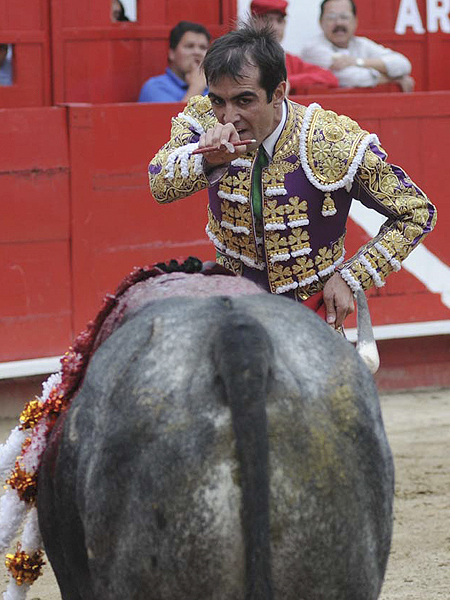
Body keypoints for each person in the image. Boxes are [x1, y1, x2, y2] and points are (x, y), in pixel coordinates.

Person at [148, 22, 436, 329]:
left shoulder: (330, 141)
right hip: (233, 310)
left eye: (245, 100)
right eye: (218, 100)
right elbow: (160, 185)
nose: (228, 117)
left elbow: (417, 213)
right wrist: (206, 161)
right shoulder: (202, 119)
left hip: (311, 315)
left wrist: (352, 277)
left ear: (278, 93)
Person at [301, 0, 414, 92]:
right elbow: (351, 78)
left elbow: (403, 64)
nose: (339, 23)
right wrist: (393, 78)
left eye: (344, 17)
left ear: (355, 21)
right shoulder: (313, 49)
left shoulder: (362, 44)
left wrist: (358, 62)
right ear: (321, 22)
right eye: (331, 17)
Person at [250, 0, 339, 94]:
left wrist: (287, 81)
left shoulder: (290, 60)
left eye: (279, 21)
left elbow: (330, 78)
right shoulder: (242, 57)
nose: (275, 27)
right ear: (253, 22)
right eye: (267, 20)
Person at [138, 21, 210, 103]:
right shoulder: (155, 87)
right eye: (189, 46)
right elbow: (173, 113)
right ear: (172, 53)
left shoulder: (214, 87)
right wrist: (196, 87)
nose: (197, 52)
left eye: (203, 47)